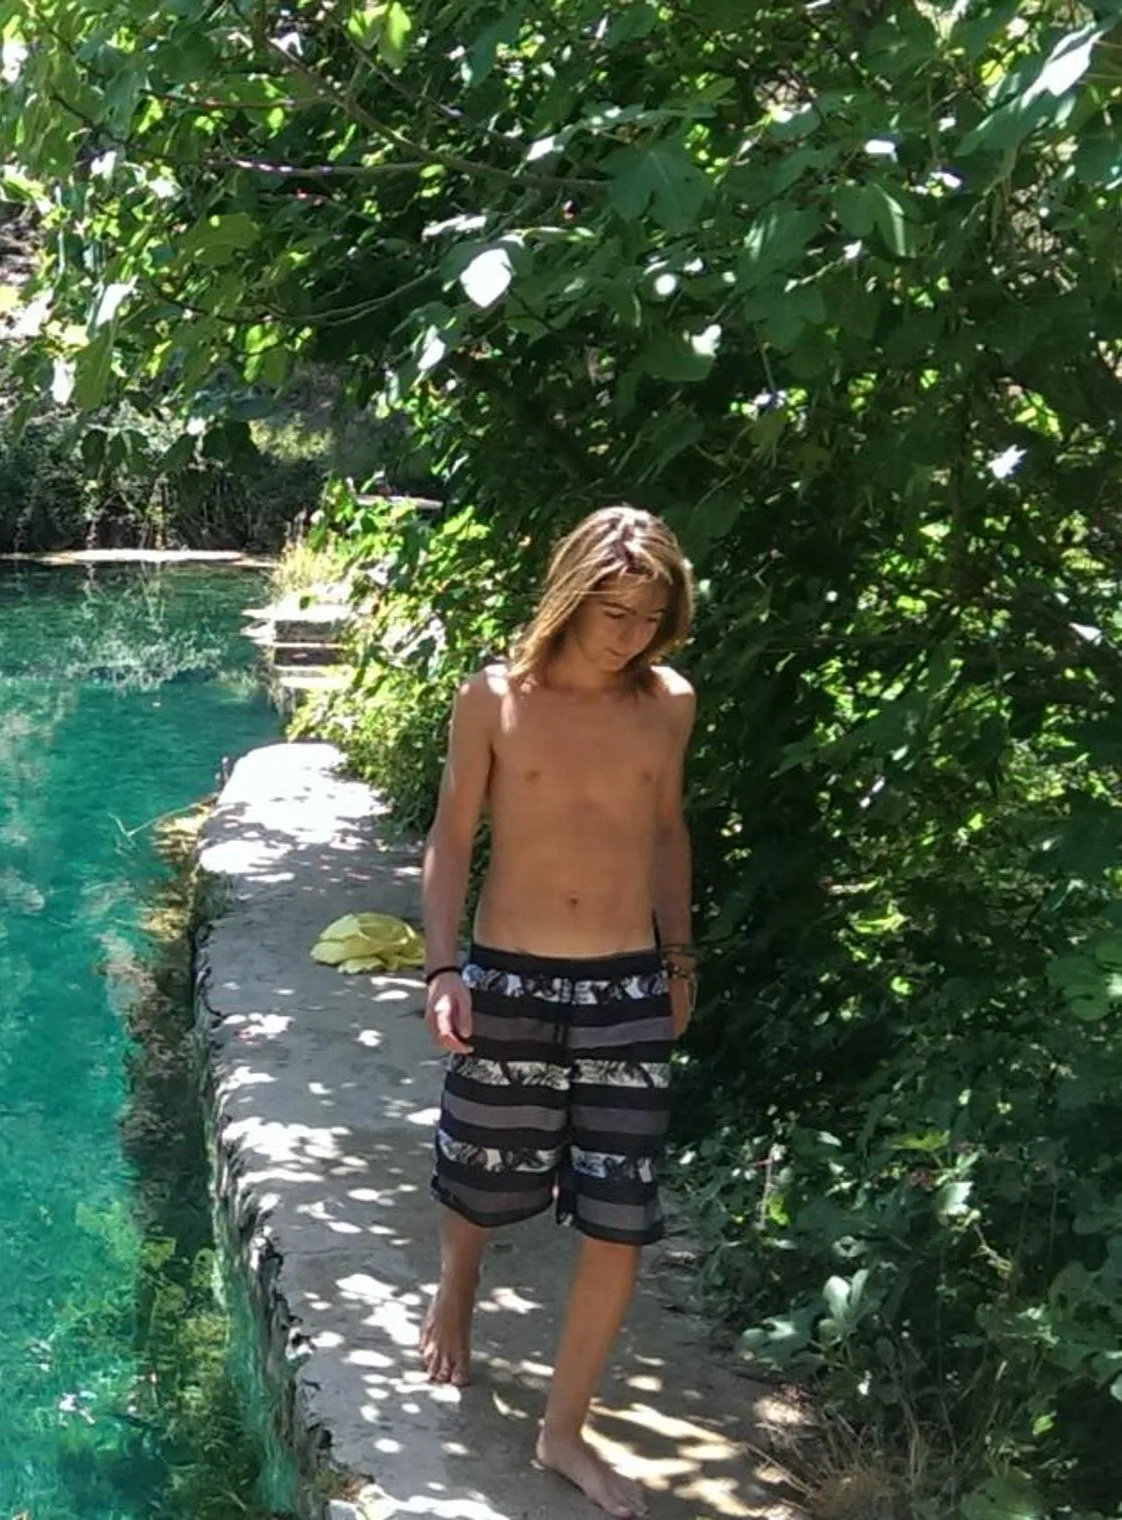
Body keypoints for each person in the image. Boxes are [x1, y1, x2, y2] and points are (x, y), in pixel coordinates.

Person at [414, 505, 699, 1519]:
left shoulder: (667, 703)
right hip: (509, 977)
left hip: (625, 985)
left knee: (619, 1214)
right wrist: (444, 966)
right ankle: (458, 1279)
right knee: (479, 1169)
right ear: (573, 594)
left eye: (651, 613)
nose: (630, 632)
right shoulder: (495, 698)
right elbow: (451, 837)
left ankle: (563, 1428)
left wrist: (679, 954)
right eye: (615, 609)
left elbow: (667, 831)